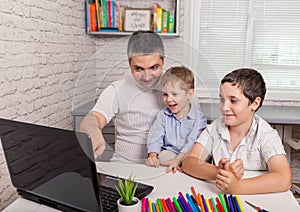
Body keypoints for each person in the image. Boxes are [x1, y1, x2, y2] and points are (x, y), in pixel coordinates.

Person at [181, 68, 292, 194]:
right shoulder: (215, 128)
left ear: (254, 104)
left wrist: (237, 186)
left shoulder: (265, 135)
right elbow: (189, 162)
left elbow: (284, 179)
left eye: (233, 101)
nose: (224, 107)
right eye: (222, 99)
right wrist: (219, 171)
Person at [80, 30, 165, 163]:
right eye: (138, 69)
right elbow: (93, 118)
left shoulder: (178, 87)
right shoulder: (117, 89)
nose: (147, 77)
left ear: (163, 62)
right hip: (125, 163)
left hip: (164, 165)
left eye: (154, 67)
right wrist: (93, 131)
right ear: (129, 64)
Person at [145, 66, 207, 173]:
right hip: (169, 153)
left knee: (194, 163)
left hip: (189, 155)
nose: (169, 99)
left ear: (189, 94)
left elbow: (191, 142)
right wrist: (153, 156)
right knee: (157, 162)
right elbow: (155, 137)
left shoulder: (199, 119)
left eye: (174, 94)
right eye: (165, 94)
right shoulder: (162, 115)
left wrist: (178, 160)